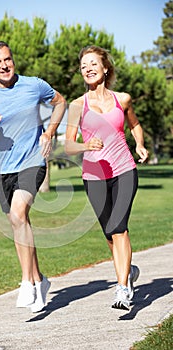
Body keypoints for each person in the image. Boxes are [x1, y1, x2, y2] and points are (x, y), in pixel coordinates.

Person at [0, 40, 66, 313]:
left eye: (7, 59)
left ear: (13, 60)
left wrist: (50, 132)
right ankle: (39, 280)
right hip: (1, 170)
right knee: (19, 223)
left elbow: (60, 102)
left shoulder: (34, 85)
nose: (4, 65)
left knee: (18, 214)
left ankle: (26, 284)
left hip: (32, 161)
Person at [65, 45, 148, 310]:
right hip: (94, 176)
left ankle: (123, 289)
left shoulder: (122, 99)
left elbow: (134, 124)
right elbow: (68, 145)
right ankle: (129, 271)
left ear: (105, 68)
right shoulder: (77, 106)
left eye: (92, 64)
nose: (87, 69)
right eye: (83, 66)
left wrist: (140, 145)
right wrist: (85, 147)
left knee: (119, 228)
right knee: (110, 236)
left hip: (124, 169)